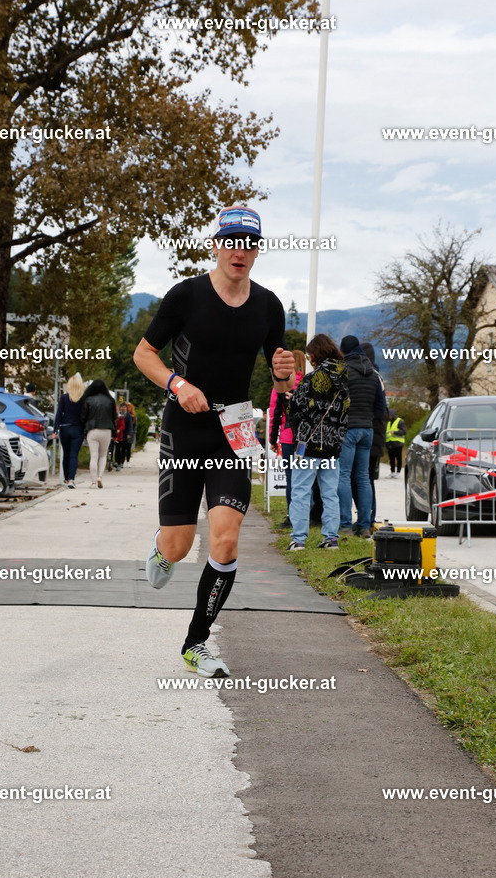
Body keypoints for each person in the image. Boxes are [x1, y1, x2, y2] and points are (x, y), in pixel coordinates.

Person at [133, 204, 294, 677]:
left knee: (225, 540)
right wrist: (177, 384)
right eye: (231, 242)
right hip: (184, 429)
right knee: (180, 546)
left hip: (234, 430)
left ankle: (196, 643)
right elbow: (144, 354)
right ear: (216, 245)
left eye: (249, 245)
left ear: (257, 251)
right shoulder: (186, 295)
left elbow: (281, 380)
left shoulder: (269, 306)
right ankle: (163, 547)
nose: (239, 252)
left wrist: (284, 375)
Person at [285, 334, 350, 551]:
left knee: (301, 491)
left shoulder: (312, 379)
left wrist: (291, 399)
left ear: (316, 354)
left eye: (310, 355)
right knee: (330, 493)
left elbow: (296, 408)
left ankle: (298, 539)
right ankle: (331, 538)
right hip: (333, 446)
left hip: (309, 444)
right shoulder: (345, 378)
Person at [337, 335, 387, 539]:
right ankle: (365, 525)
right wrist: (367, 417)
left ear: (344, 351)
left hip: (348, 429)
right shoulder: (373, 374)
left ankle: (345, 524)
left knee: (343, 475)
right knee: (363, 477)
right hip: (367, 430)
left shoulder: (343, 372)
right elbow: (381, 406)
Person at [269, 349, 305, 528]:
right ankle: (307, 515)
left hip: (288, 437)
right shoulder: (308, 383)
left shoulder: (281, 385)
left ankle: (292, 517)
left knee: (291, 478)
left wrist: (272, 439)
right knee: (306, 478)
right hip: (306, 439)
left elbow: (275, 413)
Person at [360, 341, 388, 529]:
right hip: (375, 436)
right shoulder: (377, 376)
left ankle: (368, 518)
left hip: (369, 434)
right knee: (367, 479)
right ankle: (368, 518)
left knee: (364, 479)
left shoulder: (370, 376)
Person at [80, 379, 116, 488]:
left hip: (92, 430)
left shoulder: (88, 399)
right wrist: (115, 433)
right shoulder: (110, 400)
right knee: (103, 455)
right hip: (107, 430)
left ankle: (93, 482)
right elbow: (114, 418)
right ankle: (100, 476)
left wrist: (84, 430)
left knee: (94, 456)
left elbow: (83, 417)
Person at [53, 373, 85, 487]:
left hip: (65, 428)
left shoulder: (64, 398)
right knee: (73, 455)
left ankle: (66, 479)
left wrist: (55, 430)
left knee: (66, 454)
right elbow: (85, 416)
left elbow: (59, 414)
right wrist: (85, 430)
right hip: (78, 429)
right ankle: (71, 479)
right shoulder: (83, 399)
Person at [386, 409, 407, 477]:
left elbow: (404, 432)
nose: (388, 416)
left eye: (389, 415)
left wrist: (395, 432)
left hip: (398, 443)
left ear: (392, 415)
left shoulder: (400, 421)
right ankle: (392, 472)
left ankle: (398, 472)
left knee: (398, 458)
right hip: (390, 443)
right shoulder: (388, 423)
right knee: (391, 458)